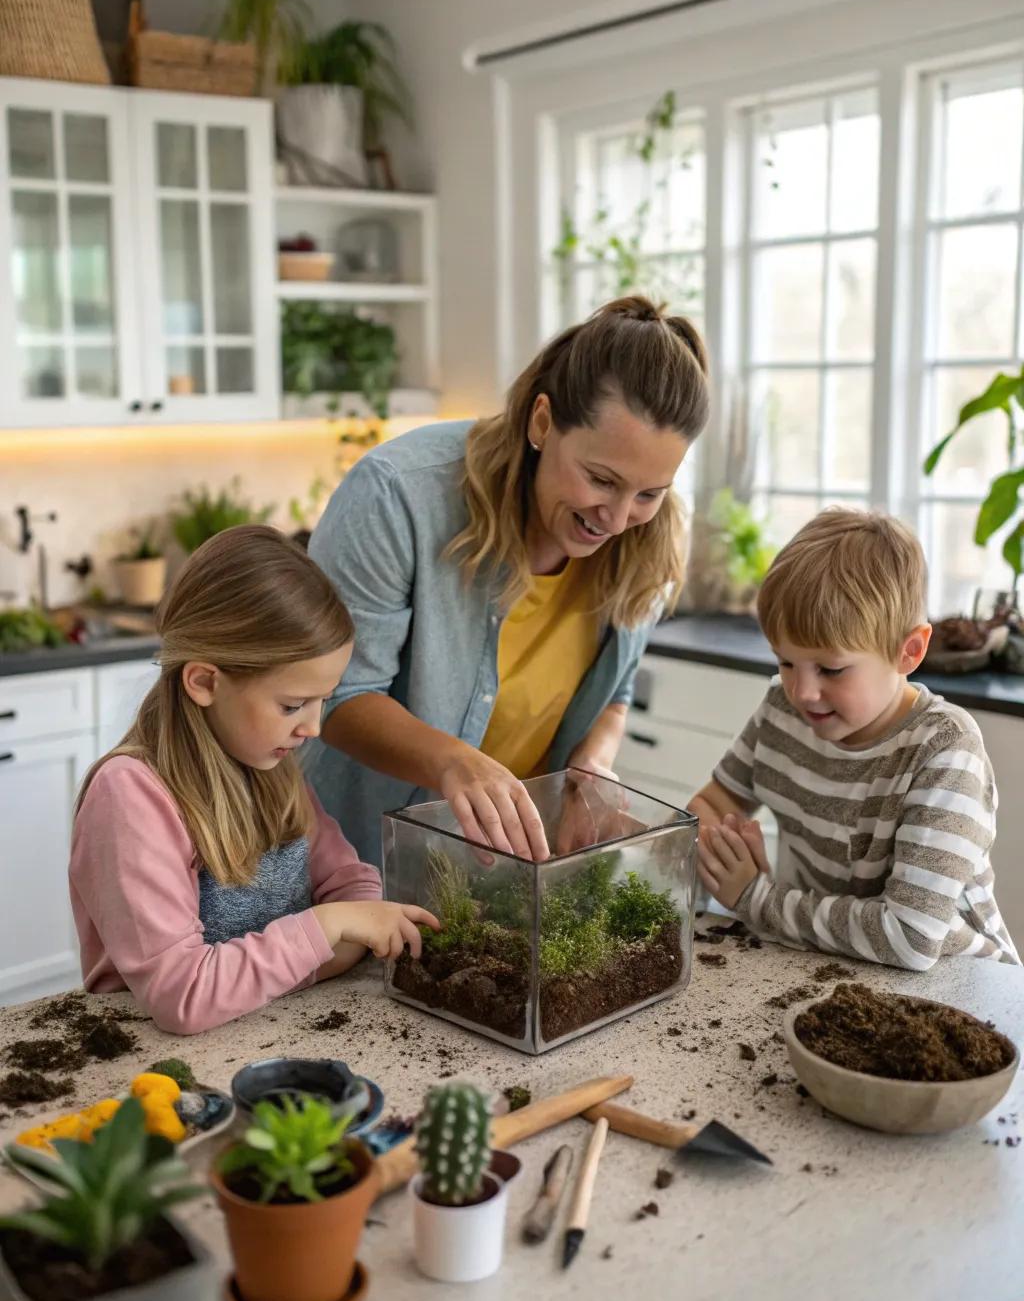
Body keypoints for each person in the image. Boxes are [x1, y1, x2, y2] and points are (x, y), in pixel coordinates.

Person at [304, 294, 711, 866]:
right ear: (542, 421)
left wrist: (589, 771)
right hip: (351, 864)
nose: (617, 520)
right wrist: (455, 762)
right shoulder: (399, 494)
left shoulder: (647, 539)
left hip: (497, 876)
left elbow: (612, 696)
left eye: (649, 492)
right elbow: (335, 697)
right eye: (600, 479)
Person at [70, 526, 438, 1034]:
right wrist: (329, 929)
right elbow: (184, 997)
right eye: (291, 705)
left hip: (270, 1035)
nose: (312, 727)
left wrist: (350, 922)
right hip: (156, 1073)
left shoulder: (272, 766)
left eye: (322, 700)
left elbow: (349, 884)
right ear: (204, 682)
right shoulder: (132, 796)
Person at [688, 508, 1019, 969]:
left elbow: (910, 938)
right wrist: (725, 847)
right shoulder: (781, 711)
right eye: (785, 662)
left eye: (831, 668)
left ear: (910, 651)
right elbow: (708, 807)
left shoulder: (945, 749)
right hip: (834, 970)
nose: (802, 691)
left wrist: (756, 897)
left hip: (965, 994)